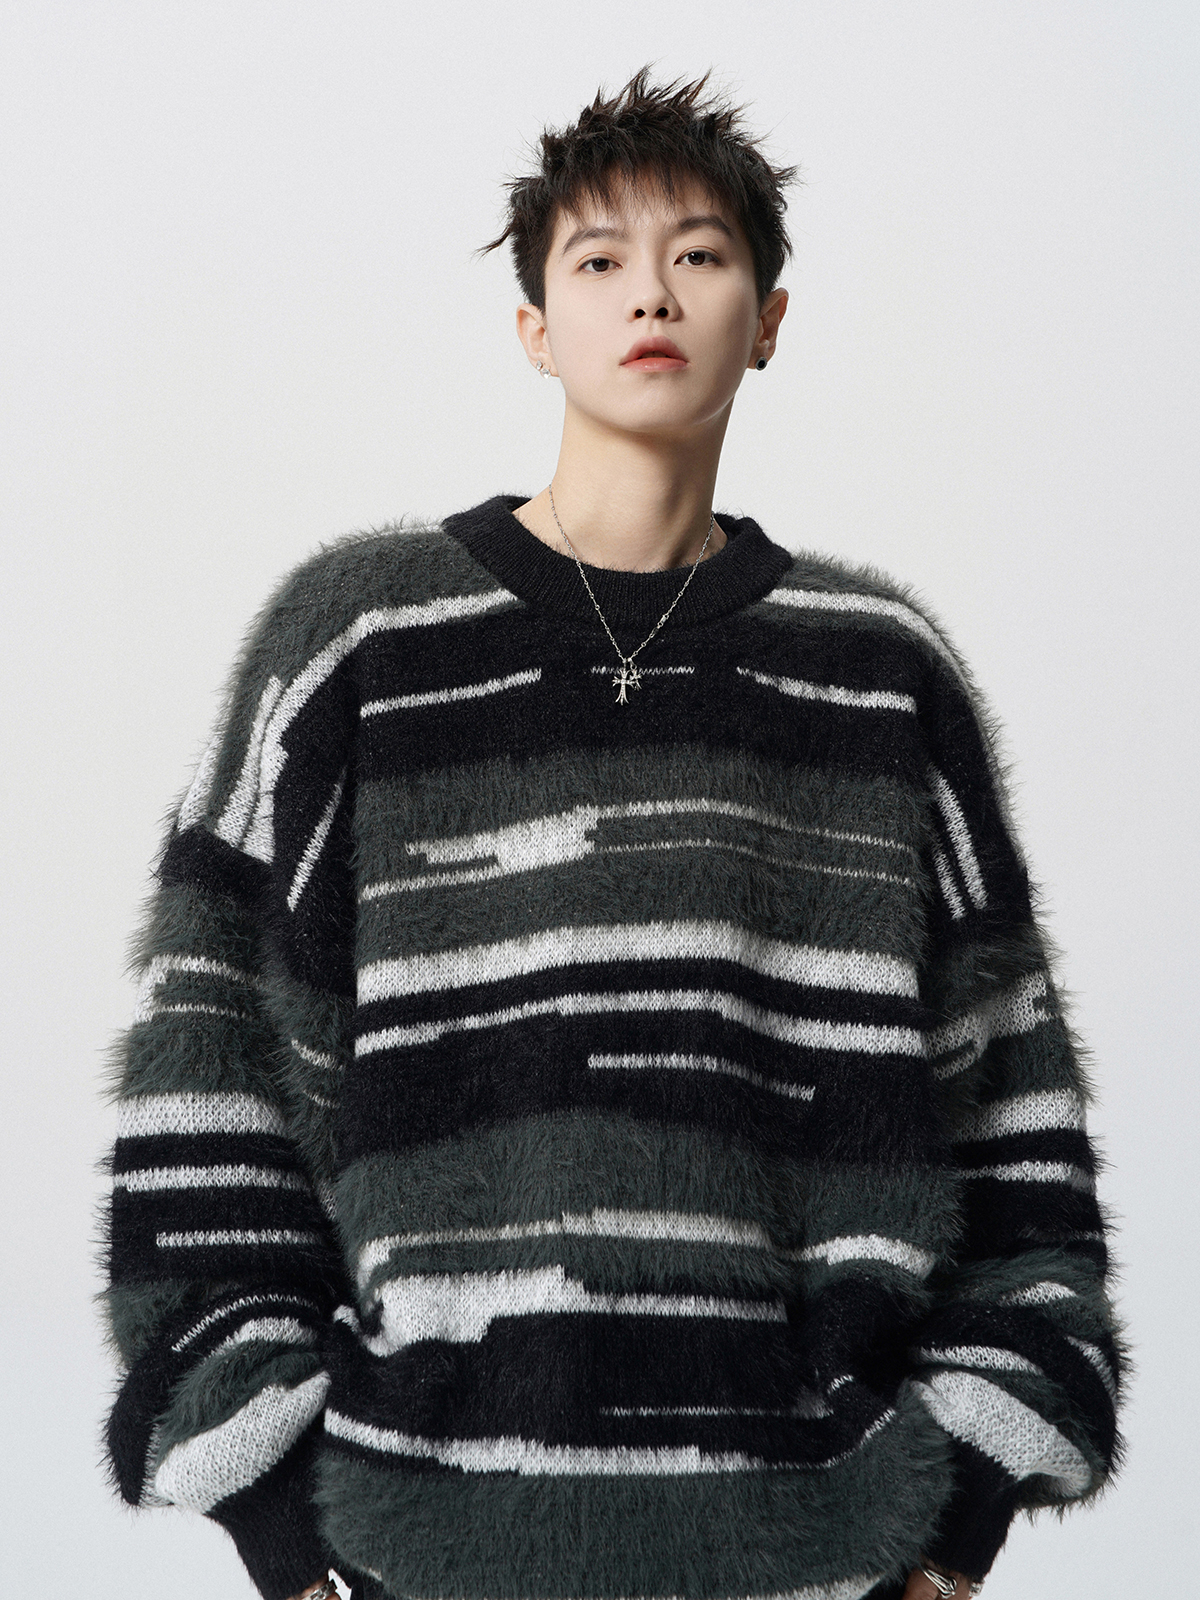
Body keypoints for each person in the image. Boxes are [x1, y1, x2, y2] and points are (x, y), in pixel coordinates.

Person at [100, 64, 1123, 1600]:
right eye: (599, 260)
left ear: (769, 319)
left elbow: (1014, 1134)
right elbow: (210, 1070)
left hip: (820, 1553)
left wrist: (961, 1513)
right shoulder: (357, 645)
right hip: (425, 1548)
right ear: (535, 327)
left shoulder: (877, 674)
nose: (652, 292)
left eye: (700, 254)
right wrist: (282, 1520)